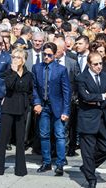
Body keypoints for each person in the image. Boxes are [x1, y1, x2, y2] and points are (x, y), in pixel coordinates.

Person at [76, 52, 106, 188]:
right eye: (95, 64)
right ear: (89, 64)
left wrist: (96, 99)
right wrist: (102, 97)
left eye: (100, 63)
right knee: (88, 151)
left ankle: (87, 167)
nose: (99, 66)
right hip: (87, 119)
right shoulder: (82, 78)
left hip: (103, 118)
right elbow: (85, 97)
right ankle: (91, 179)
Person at [32, 42, 71, 176]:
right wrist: (36, 102)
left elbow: (66, 92)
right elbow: (34, 87)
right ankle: (46, 162)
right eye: (44, 54)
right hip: (43, 107)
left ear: (54, 55)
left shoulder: (61, 69)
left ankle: (60, 163)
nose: (46, 57)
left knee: (59, 135)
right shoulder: (36, 68)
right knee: (44, 134)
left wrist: (66, 111)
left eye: (49, 55)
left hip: (58, 107)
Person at [0, 48, 33, 176]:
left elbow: (29, 91)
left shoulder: (28, 74)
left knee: (20, 140)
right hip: (9, 107)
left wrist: (28, 104)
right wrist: (15, 72)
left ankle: (20, 169)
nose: (15, 59)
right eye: (14, 57)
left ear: (24, 60)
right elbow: (10, 85)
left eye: (18, 57)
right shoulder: (9, 72)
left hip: (21, 109)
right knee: (3, 138)